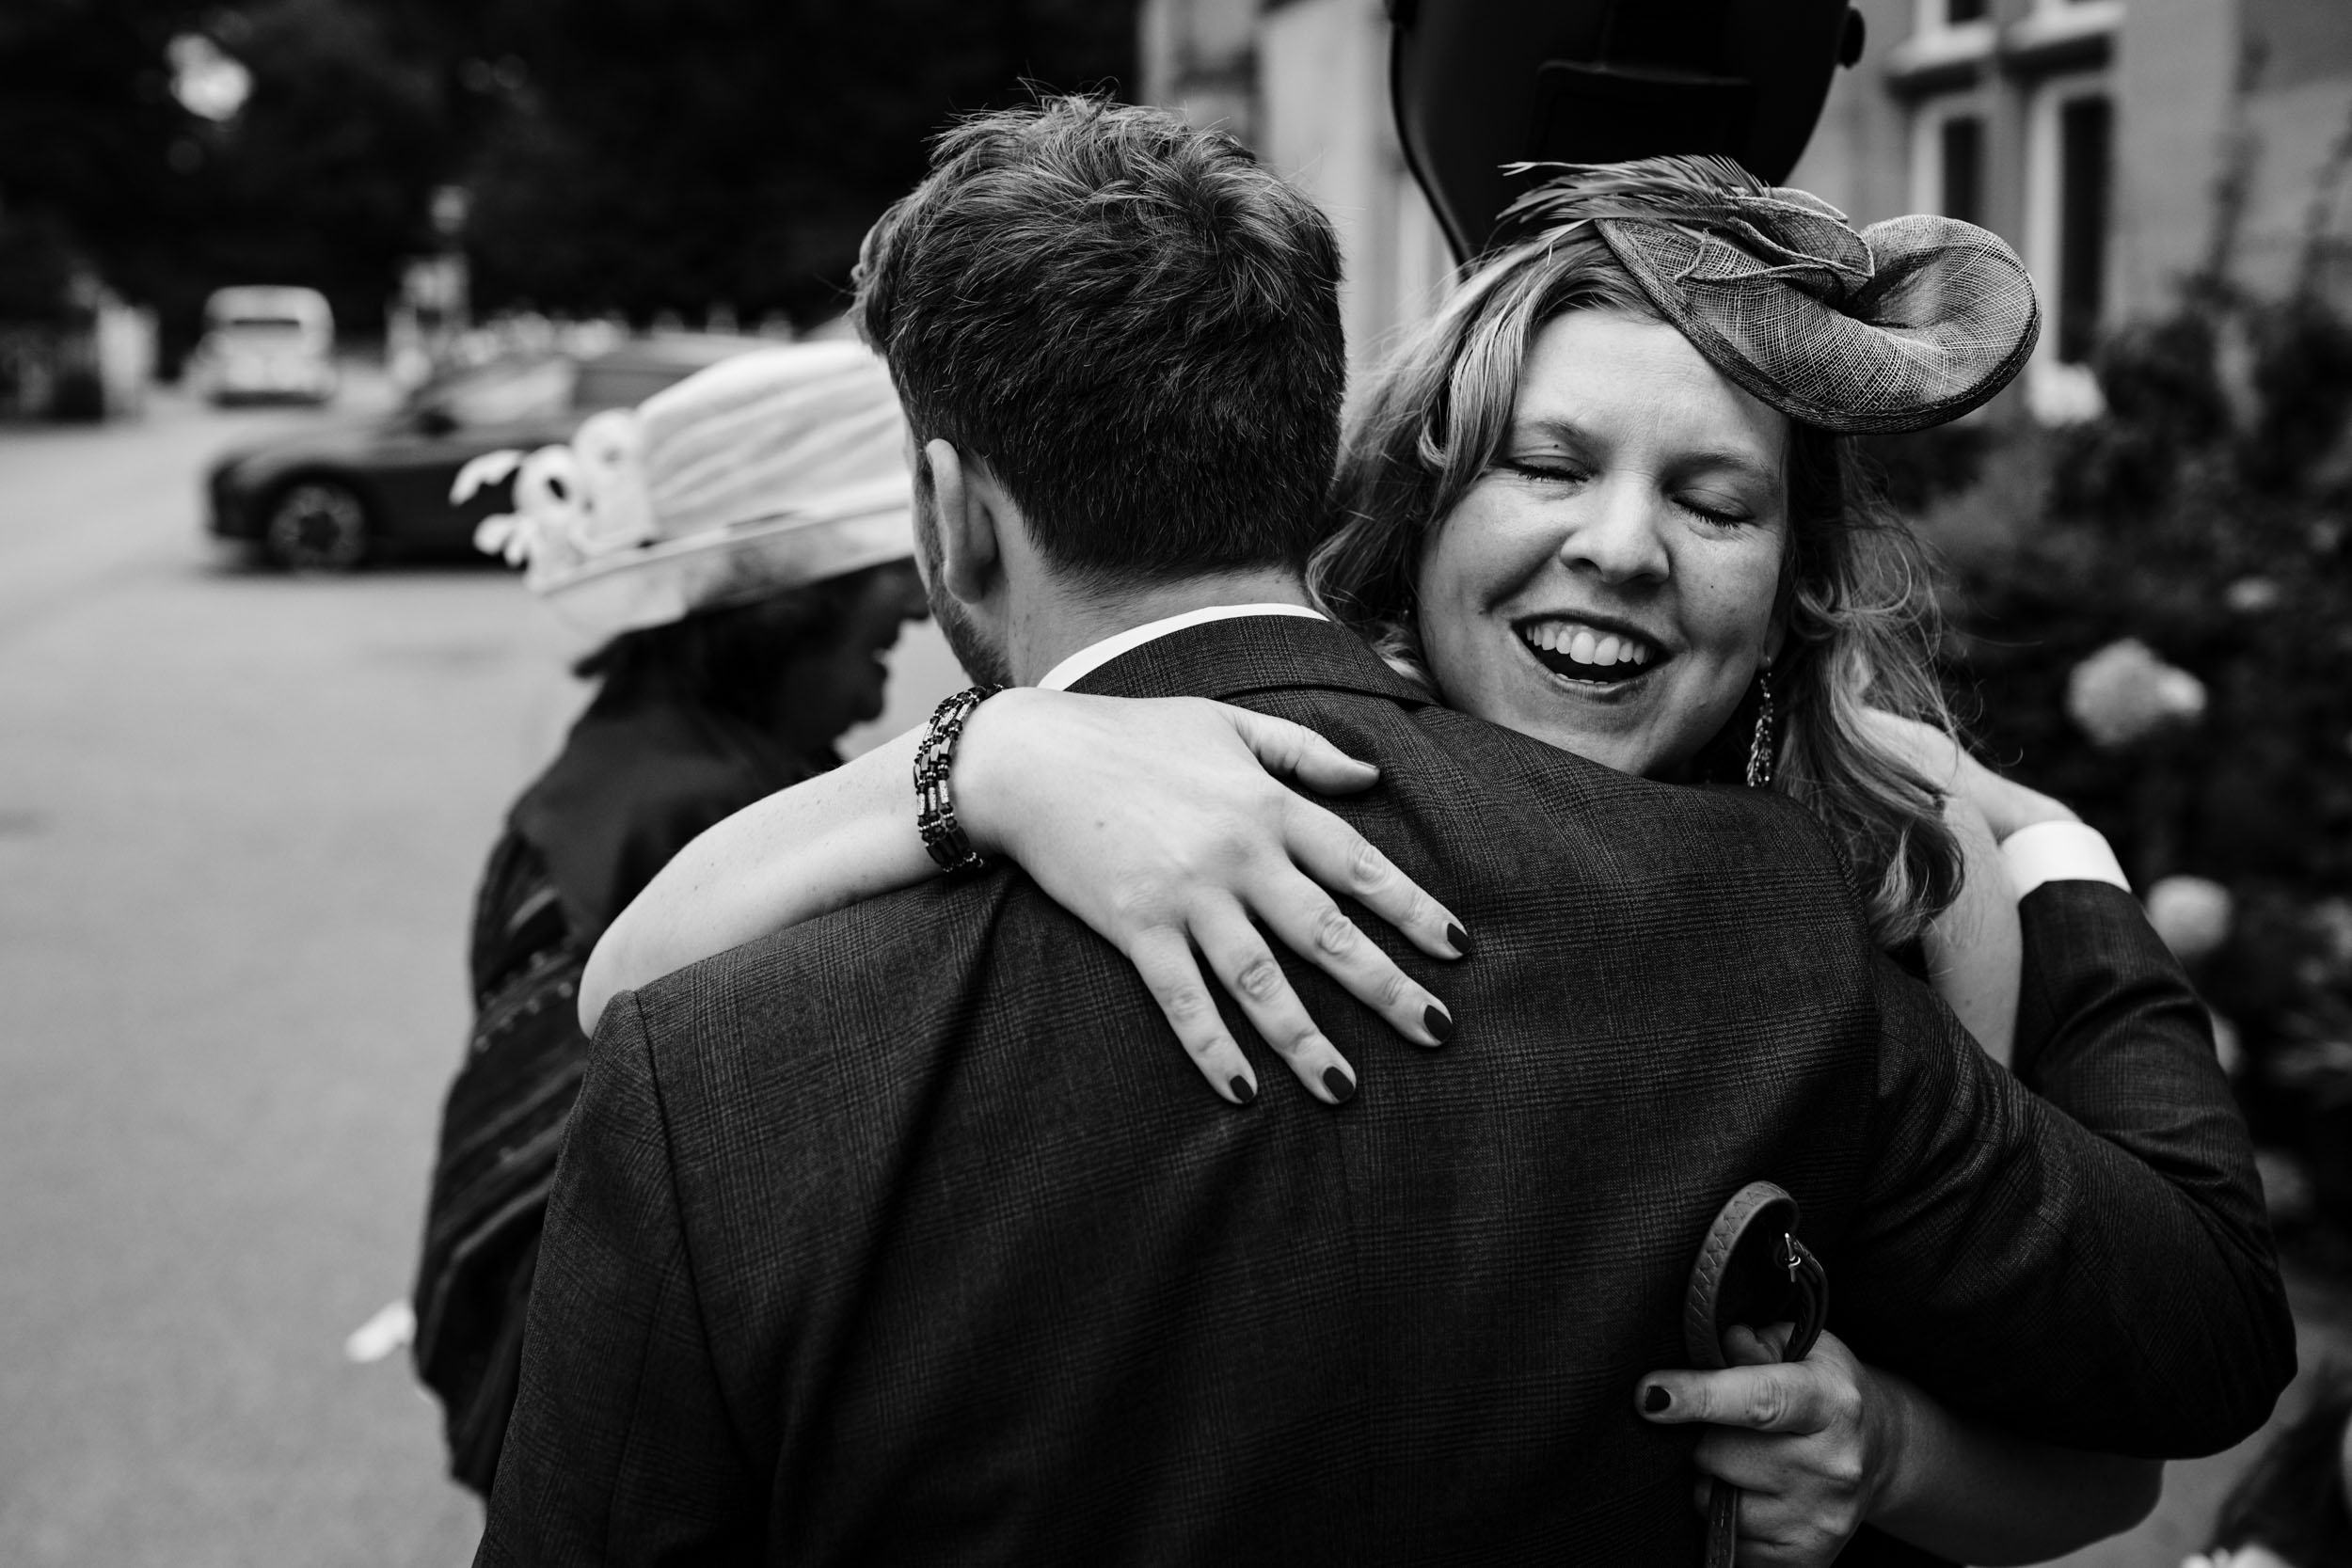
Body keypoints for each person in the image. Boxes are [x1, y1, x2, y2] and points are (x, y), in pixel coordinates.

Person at [480, 100, 2289, 1565]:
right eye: (1552, 462)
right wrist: (990, 757)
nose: (1622, 546)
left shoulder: (1837, 891)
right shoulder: (1744, 925)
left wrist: (2047, 857)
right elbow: (632, 988)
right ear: (1407, 495)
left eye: (1715, 497)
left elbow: (2164, 1368)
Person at [409, 341, 929, 1496]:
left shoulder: (645, 757)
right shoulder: (697, 813)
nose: (903, 627)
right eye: (875, 621)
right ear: (782, 614)